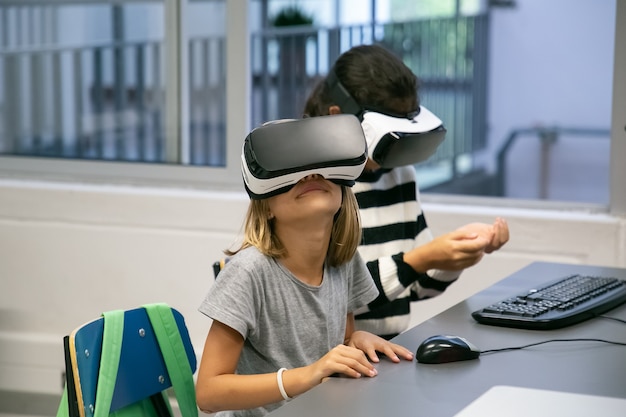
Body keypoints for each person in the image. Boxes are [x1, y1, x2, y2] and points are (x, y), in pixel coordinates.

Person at [195, 117, 414, 417]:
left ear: (343, 194)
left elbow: (339, 342)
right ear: (266, 206)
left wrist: (354, 342)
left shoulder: (343, 260)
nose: (311, 174)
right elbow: (208, 394)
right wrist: (308, 375)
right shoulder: (249, 273)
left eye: (322, 168)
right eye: (293, 171)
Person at [303, 44, 510, 339]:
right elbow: (321, 299)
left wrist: (454, 254)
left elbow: (414, 289)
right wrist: (421, 259)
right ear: (337, 116)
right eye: (386, 142)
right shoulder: (308, 186)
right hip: (325, 361)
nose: (394, 156)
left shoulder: (398, 175)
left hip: (387, 352)